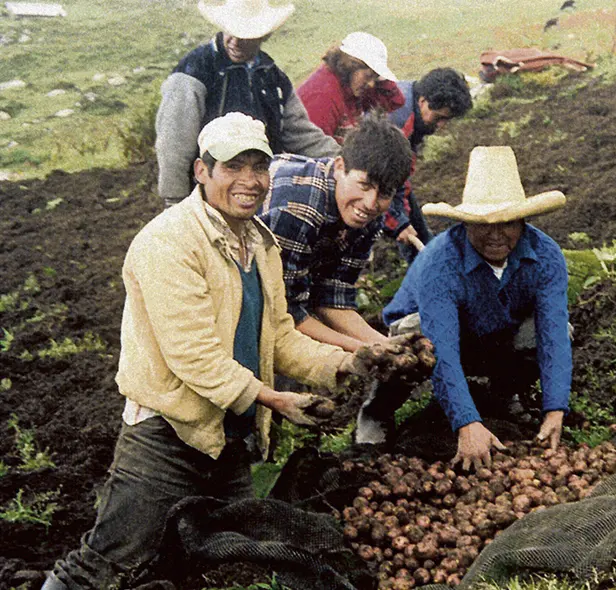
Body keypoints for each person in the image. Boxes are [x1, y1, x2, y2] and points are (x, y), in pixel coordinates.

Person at [41, 113, 428, 590]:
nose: (249, 180)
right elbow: (195, 357)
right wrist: (276, 399)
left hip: (230, 436)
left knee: (226, 563)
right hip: (168, 435)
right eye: (232, 167)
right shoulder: (170, 242)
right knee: (104, 564)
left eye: (258, 167)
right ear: (202, 171)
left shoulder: (259, 243)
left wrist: (351, 362)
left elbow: (280, 336)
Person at [361, 146, 573, 471]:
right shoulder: (439, 261)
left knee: (553, 332)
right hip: (430, 332)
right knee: (414, 343)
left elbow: (554, 334)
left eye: (507, 223)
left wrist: (556, 408)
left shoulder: (546, 255)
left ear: (523, 221)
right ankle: (377, 413)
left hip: (493, 330)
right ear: (464, 224)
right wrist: (466, 422)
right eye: (483, 224)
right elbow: (442, 347)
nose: (496, 235)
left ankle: (502, 395)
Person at [155, 0, 340, 207]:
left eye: (245, 37)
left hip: (257, 192)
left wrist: (343, 159)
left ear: (263, 36)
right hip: (207, 195)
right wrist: (175, 201)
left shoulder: (272, 75)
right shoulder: (194, 71)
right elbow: (174, 146)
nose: (234, 42)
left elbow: (301, 134)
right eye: (230, 32)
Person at [259, 115, 412, 353]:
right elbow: (285, 312)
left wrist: (388, 345)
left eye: (384, 194)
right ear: (340, 167)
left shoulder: (368, 215)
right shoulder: (299, 210)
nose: (370, 203)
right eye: (364, 185)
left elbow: (332, 295)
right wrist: (364, 350)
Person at [385, 67, 474, 262]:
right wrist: (397, 222)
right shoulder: (398, 120)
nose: (441, 125)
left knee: (418, 232)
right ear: (423, 101)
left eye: (447, 120)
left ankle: (429, 263)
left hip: (385, 175)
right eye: (439, 117)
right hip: (359, 181)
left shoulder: (412, 98)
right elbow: (377, 181)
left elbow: (400, 176)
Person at [296, 31, 405, 145]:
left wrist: (381, 76)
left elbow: (393, 102)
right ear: (351, 65)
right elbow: (313, 147)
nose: (371, 84)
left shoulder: (351, 85)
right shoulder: (321, 97)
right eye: (368, 76)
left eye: (375, 77)